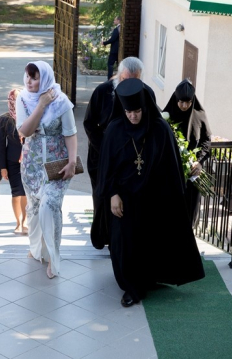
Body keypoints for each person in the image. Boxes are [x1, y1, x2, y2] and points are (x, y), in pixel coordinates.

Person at [95, 78, 205, 307]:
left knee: (148, 243)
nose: (132, 116)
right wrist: (112, 194)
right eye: (128, 112)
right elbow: (107, 167)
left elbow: (170, 168)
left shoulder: (159, 129)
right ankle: (131, 287)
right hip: (123, 199)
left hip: (152, 199)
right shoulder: (115, 130)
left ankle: (144, 281)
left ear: (144, 107)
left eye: (137, 111)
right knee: (124, 243)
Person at [84, 57, 154, 249]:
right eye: (124, 80)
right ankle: (104, 235)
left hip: (132, 158)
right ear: (118, 76)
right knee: (102, 197)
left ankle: (123, 239)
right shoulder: (103, 91)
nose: (128, 86)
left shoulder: (147, 93)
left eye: (134, 81)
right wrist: (106, 149)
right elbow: (89, 123)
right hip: (101, 155)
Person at [17, 61, 77, 279]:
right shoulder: (23, 99)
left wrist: (72, 162)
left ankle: (53, 256)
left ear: (45, 79)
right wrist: (41, 105)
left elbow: (70, 133)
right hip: (31, 165)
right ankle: (37, 248)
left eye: (35, 78)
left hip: (57, 165)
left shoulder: (61, 101)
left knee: (49, 206)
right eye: (28, 76)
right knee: (34, 208)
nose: (29, 81)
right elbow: (25, 131)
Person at [162, 79, 212, 228]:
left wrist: (199, 162)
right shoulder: (167, 116)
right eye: (181, 102)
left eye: (188, 102)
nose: (184, 106)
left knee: (190, 211)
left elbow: (206, 141)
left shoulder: (199, 115)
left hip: (192, 171)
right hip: (170, 172)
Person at [0, 89, 27, 234]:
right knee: (16, 192)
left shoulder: (29, 115)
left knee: (26, 191)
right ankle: (18, 222)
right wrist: (3, 167)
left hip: (28, 160)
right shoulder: (5, 119)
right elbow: (1, 144)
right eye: (13, 100)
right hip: (12, 161)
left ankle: (25, 221)